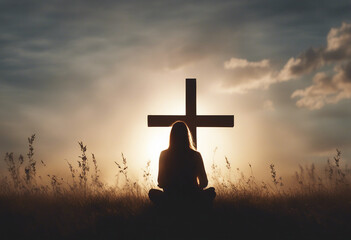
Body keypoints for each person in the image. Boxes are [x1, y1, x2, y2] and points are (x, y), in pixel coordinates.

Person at [148, 121, 216, 208]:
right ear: (187, 135)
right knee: (211, 192)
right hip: (193, 197)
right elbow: (204, 182)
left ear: (172, 136)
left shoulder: (164, 154)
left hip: (171, 198)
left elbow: (160, 181)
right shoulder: (196, 155)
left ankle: (169, 211)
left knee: (153, 193)